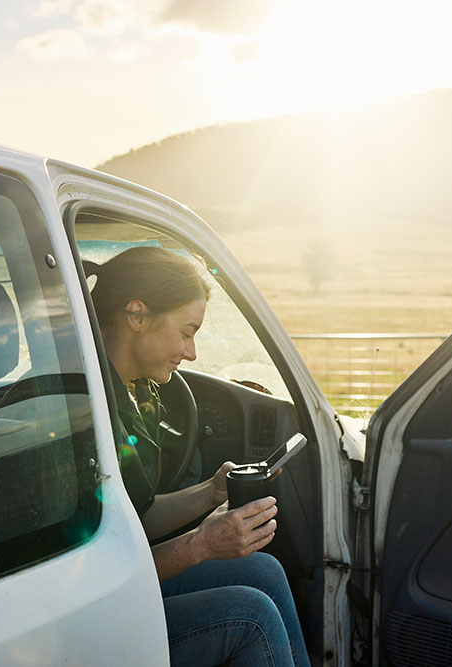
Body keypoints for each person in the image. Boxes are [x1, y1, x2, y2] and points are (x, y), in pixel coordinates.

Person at [84, 246, 310, 667]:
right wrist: (200, 544)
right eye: (187, 332)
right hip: (84, 616)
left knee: (264, 571)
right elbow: (95, 574)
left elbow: (131, 517)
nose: (192, 353)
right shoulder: (82, 410)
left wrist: (210, 492)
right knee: (252, 617)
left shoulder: (129, 392)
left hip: (109, 591)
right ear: (136, 316)